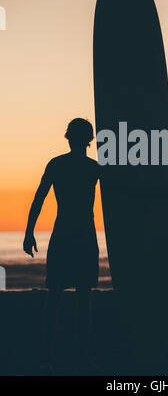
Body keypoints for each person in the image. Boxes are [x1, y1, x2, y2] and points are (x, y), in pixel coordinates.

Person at [23, 118, 100, 372]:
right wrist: (163, 193)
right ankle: (81, 356)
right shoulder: (93, 168)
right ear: (89, 140)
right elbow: (126, 192)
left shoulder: (58, 164)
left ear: (68, 137)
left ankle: (48, 357)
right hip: (84, 237)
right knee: (83, 298)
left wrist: (29, 231)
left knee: (56, 296)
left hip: (63, 235)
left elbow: (38, 198)